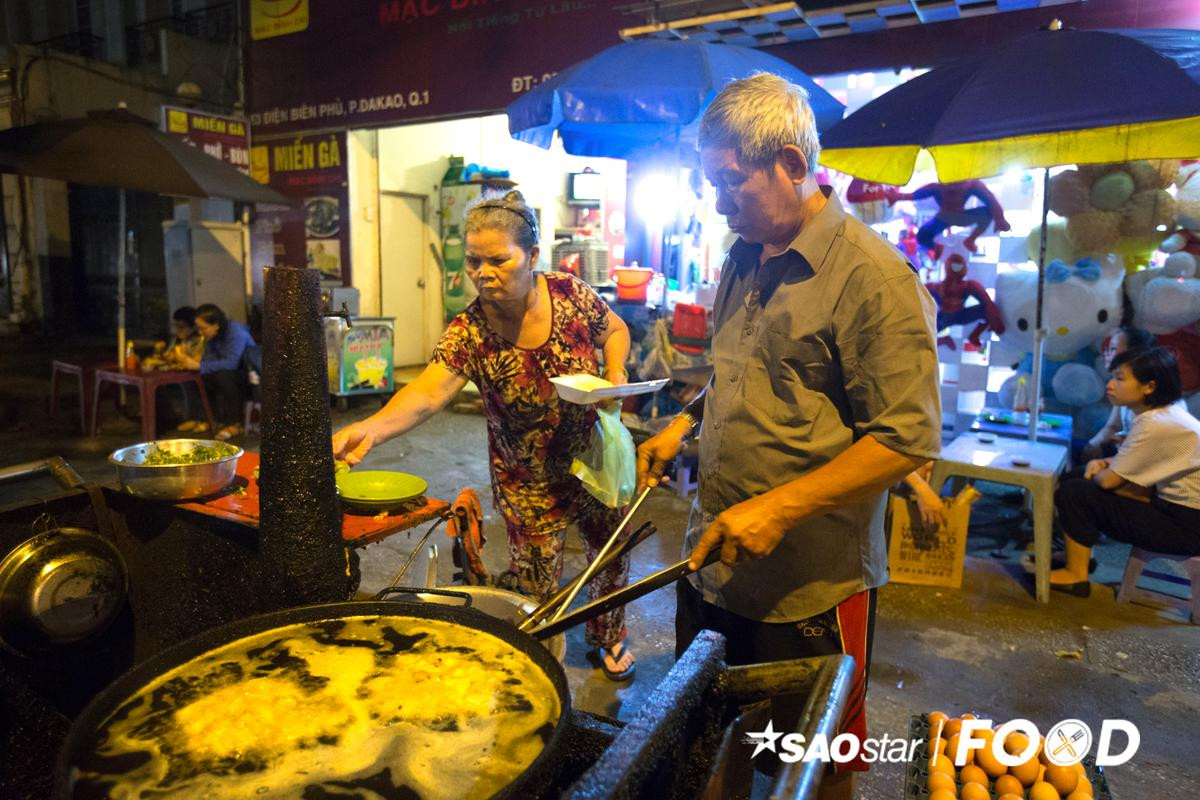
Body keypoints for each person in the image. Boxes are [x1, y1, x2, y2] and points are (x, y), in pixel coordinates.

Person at [635, 74, 940, 798]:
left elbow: (907, 439)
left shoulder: (874, 279)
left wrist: (780, 508)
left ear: (794, 166)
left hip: (808, 587)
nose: (717, 204)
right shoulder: (744, 256)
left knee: (813, 758)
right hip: (714, 560)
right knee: (719, 727)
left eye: (730, 184)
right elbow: (747, 372)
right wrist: (687, 420)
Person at [332, 191, 639, 680]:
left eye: (498, 260)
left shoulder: (571, 294)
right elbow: (429, 393)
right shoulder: (470, 331)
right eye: (474, 261)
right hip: (528, 478)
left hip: (597, 459)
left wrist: (616, 371)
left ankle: (610, 635)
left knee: (611, 554)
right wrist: (369, 428)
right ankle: (544, 651)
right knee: (537, 584)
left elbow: (615, 328)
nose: (482, 272)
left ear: (533, 257)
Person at [1052, 347, 1200, 595]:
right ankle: (1078, 555)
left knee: (1077, 492)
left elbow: (1108, 483)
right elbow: (1132, 460)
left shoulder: (1156, 423)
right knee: (1074, 478)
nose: (1109, 385)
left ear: (1149, 387)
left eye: (1120, 379)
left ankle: (1075, 575)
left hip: (1186, 525)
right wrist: (1104, 464)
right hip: (1175, 509)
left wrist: (1096, 466)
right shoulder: (1160, 414)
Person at [1081, 326, 1156, 460]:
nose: (1106, 353)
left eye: (1113, 349)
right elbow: (1113, 426)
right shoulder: (1122, 385)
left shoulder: (1149, 396)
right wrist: (1093, 444)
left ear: (1134, 354)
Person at [184, 303, 255, 441]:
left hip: (247, 373)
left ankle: (234, 424)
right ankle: (206, 419)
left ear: (215, 325)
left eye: (202, 328)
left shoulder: (236, 333)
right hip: (228, 370)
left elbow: (231, 363)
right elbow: (210, 359)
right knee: (195, 378)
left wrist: (199, 365)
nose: (199, 332)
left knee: (224, 376)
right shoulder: (212, 335)